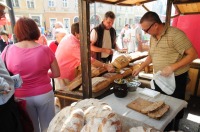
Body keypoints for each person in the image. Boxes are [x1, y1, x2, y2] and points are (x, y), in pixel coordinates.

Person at [132, 11, 197, 130]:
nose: (145, 33)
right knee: (158, 104)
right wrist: (140, 68)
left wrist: (172, 67)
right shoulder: (152, 37)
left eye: (146, 30)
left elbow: (193, 54)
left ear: (155, 25)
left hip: (176, 78)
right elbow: (151, 55)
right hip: (159, 77)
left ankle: (174, 127)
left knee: (174, 107)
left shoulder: (176, 34)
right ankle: (161, 127)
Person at [1, 17, 60, 132]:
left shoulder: (8, 50)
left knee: (30, 128)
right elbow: (57, 73)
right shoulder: (45, 50)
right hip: (44, 93)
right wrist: (44, 75)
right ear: (35, 30)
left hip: (21, 96)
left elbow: (2, 74)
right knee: (49, 127)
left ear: (17, 32)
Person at [55, 22, 115, 89]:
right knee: (65, 93)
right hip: (63, 74)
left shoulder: (70, 37)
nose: (86, 35)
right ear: (76, 34)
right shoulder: (73, 44)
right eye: (83, 33)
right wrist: (105, 66)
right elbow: (88, 59)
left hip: (61, 71)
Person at [0, 1, 23, 132]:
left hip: (7, 100)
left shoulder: (9, 48)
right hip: (3, 105)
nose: (3, 16)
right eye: (1, 13)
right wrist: (4, 86)